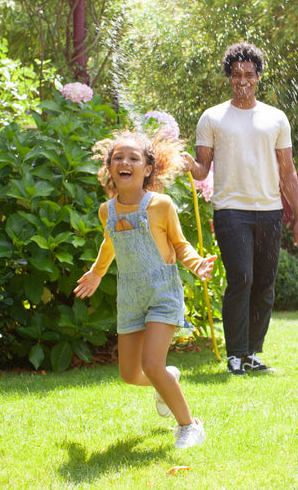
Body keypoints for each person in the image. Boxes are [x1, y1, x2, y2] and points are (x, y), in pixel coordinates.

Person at [73, 130, 217, 448]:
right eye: (118, 158)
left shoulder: (161, 205)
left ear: (147, 169)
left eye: (133, 158)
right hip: (130, 296)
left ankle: (190, 427)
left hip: (162, 292)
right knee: (130, 374)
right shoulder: (106, 211)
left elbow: (179, 244)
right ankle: (167, 379)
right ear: (109, 168)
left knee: (152, 364)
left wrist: (196, 264)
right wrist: (97, 273)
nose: (124, 162)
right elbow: (110, 243)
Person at [183, 42, 298, 376]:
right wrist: (189, 164)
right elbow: (202, 169)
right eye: (236, 74)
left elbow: (288, 172)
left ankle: (252, 353)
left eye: (249, 74)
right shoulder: (212, 117)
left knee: (265, 283)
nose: (243, 80)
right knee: (241, 278)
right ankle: (235, 355)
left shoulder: (275, 118)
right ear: (229, 77)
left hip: (270, 210)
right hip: (230, 210)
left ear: (258, 77)